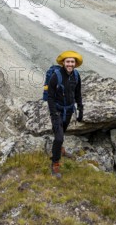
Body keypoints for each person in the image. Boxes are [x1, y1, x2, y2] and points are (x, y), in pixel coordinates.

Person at [48, 50, 84, 178]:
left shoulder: (76, 75)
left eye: (72, 62)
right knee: (59, 137)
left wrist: (80, 109)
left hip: (69, 110)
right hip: (57, 111)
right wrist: (53, 114)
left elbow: (78, 93)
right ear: (63, 62)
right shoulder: (55, 76)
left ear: (75, 63)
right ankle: (55, 163)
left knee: (62, 133)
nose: (70, 64)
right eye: (67, 61)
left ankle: (60, 149)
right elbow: (50, 97)